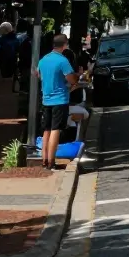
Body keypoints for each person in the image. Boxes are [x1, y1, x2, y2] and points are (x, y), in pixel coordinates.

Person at [35, 34, 78, 170]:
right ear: (64, 45)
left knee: (46, 130)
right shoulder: (63, 61)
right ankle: (52, 161)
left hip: (46, 99)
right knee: (56, 130)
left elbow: (39, 75)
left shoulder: (43, 60)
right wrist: (75, 81)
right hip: (60, 99)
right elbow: (72, 79)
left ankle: (44, 160)